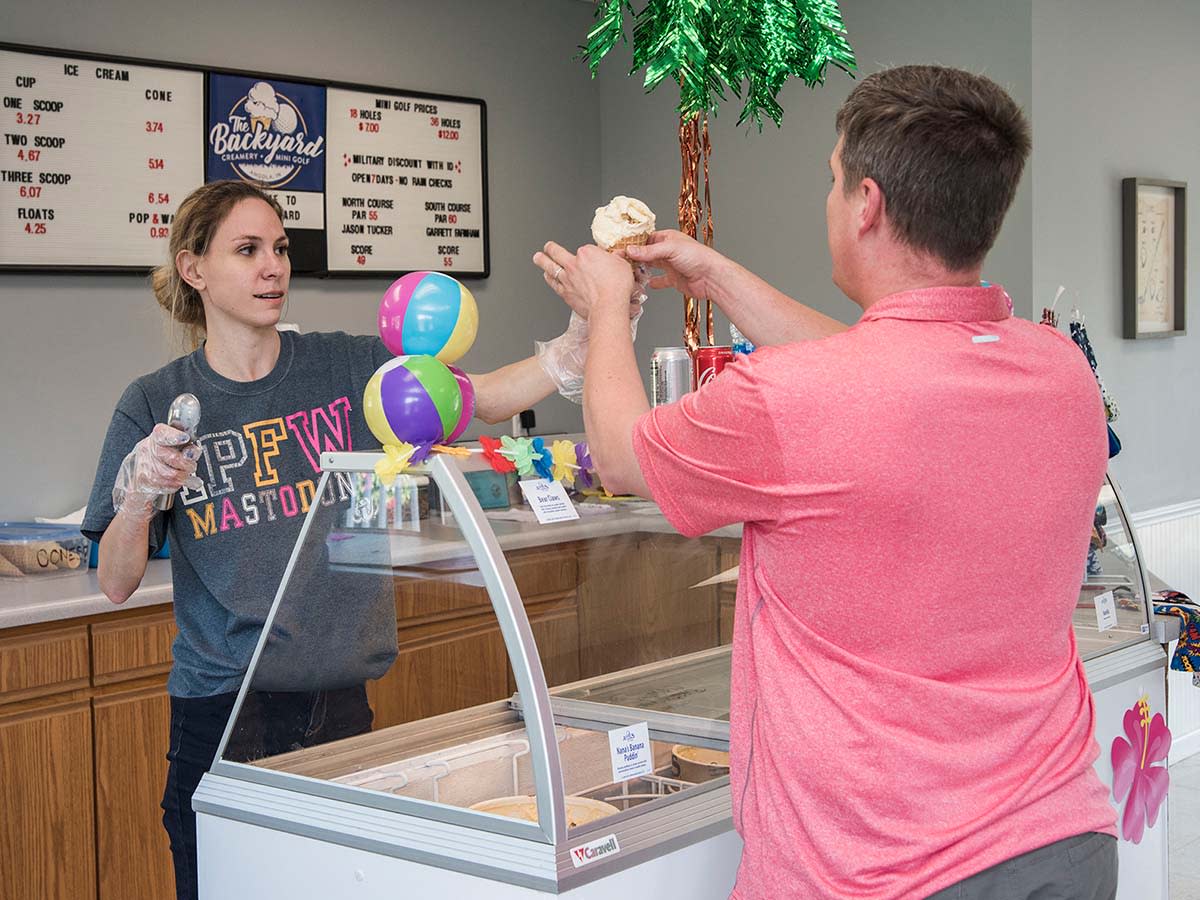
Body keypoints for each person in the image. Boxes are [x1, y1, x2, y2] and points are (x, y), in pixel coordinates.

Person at [534, 65, 1118, 900]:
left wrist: (603, 312)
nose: (830, 197)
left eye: (833, 179)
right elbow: (878, 365)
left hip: (879, 875)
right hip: (1061, 841)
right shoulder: (1060, 371)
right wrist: (716, 277)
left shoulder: (792, 399)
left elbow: (625, 458)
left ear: (868, 203)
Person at [81, 179, 614, 900]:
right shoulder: (154, 400)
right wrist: (143, 491)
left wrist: (578, 348)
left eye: (279, 248)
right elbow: (114, 579)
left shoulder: (348, 368)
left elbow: (477, 398)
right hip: (223, 715)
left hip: (344, 710)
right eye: (247, 250)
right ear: (193, 267)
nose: (273, 267)